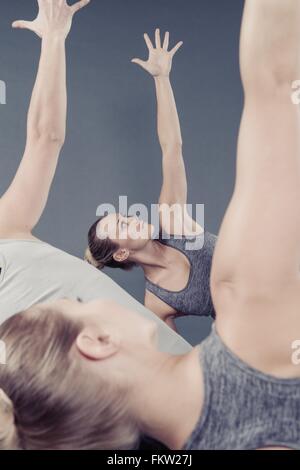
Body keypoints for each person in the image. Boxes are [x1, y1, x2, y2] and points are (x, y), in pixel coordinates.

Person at [1, 0, 300, 451]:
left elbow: (53, 137)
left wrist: (56, 42)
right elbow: (278, 78)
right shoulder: (226, 299)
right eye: (74, 301)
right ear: (96, 340)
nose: (89, 294)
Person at [0, 0, 191, 356]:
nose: (132, 220)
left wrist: (54, 40)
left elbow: (46, 138)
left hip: (193, 372)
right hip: (121, 406)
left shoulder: (4, 229)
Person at [86, 29, 217, 329]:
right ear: (120, 253)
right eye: (120, 225)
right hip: (251, 340)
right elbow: (171, 364)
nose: (129, 218)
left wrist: (162, 79)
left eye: (122, 216)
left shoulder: (172, 222)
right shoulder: (157, 303)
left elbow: (172, 147)